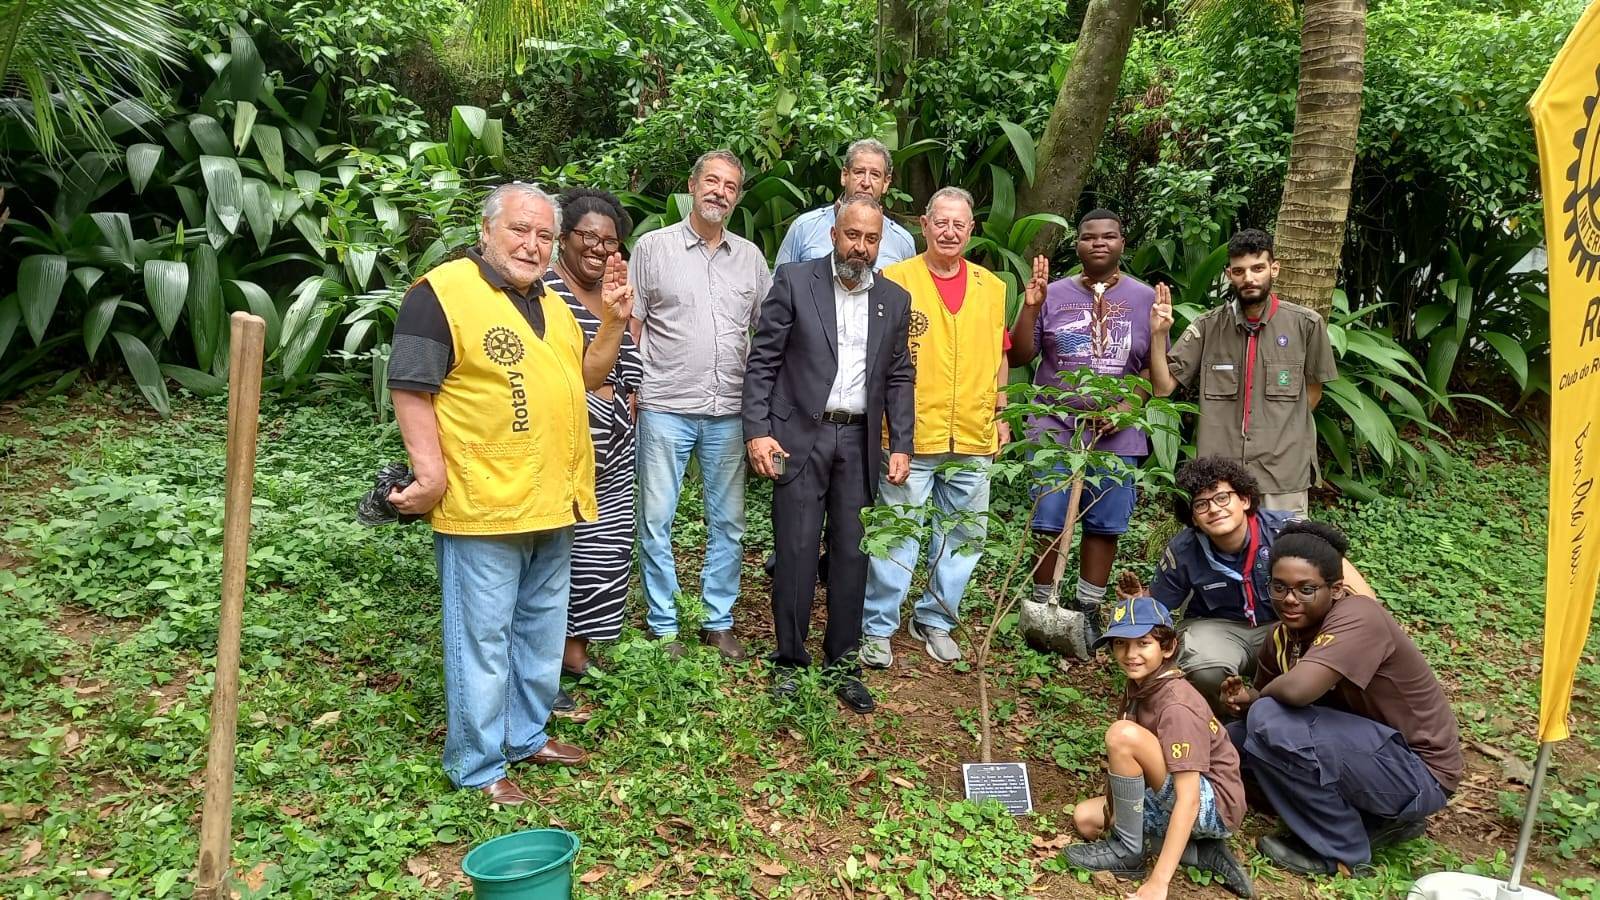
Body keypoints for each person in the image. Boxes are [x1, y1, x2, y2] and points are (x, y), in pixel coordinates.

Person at [386, 182, 631, 805]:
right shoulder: (442, 293)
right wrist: (429, 474)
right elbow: (411, 384)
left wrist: (613, 322)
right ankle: (477, 764)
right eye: (520, 230)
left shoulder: (550, 302)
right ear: (487, 230)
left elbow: (586, 376)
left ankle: (526, 735)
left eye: (544, 235)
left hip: (552, 499)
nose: (532, 245)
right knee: (483, 640)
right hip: (485, 503)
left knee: (541, 633)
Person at [742, 194, 915, 713]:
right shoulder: (796, 281)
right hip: (799, 436)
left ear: (879, 244)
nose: (860, 247)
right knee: (795, 550)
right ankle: (790, 661)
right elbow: (762, 361)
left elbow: (900, 374)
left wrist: (900, 442)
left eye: (871, 239)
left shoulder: (894, 299)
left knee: (852, 555)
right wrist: (757, 431)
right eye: (852, 235)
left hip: (858, 442)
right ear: (835, 235)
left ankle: (843, 663)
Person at [1221, 521, 1462, 876]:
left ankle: (1341, 851)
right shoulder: (1280, 637)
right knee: (1233, 741)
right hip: (1363, 752)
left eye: (1306, 589)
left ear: (1335, 589)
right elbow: (1271, 708)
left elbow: (1296, 692)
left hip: (1418, 772)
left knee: (1268, 719)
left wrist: (1258, 702)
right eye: (1279, 587)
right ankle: (1374, 822)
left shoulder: (1359, 616)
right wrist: (1247, 701)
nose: (1290, 599)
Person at [860, 187, 1011, 667]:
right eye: (940, 223)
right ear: (924, 225)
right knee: (897, 532)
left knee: (964, 535)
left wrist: (1001, 411)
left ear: (971, 230)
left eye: (958, 225)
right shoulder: (894, 279)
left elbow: (1000, 355)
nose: (949, 232)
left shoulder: (992, 287)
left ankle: (936, 619)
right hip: (910, 434)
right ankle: (877, 626)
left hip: (973, 433)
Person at [631, 149, 771, 660]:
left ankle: (718, 621)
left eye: (731, 186)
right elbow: (633, 325)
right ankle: (664, 624)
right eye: (712, 181)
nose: (720, 192)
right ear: (692, 186)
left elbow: (768, 334)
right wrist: (630, 391)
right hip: (664, 405)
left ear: (737, 196)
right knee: (656, 519)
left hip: (729, 411)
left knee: (728, 523)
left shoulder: (751, 259)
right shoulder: (653, 248)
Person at [1009, 209, 1161, 659]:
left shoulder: (1145, 298)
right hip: (1056, 426)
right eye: (1089, 237)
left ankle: (1087, 607)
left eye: (1108, 236)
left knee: (1105, 523)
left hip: (1116, 432)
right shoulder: (1054, 293)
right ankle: (1044, 603)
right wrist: (1031, 305)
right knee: (1049, 519)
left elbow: (1152, 370)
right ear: (1076, 245)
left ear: (1122, 243)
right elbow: (1020, 355)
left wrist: (1127, 408)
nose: (1099, 243)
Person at [1062, 589, 1255, 900]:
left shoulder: (1177, 704)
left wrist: (1159, 883)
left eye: (1143, 643)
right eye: (1120, 643)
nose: (1130, 654)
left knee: (1123, 735)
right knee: (1086, 819)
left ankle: (1128, 852)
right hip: (1175, 788)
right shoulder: (1142, 684)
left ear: (1168, 647)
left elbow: (1189, 799)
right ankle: (1198, 852)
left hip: (1213, 804)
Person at [1150, 457, 1373, 716]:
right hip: (1221, 629)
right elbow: (1155, 609)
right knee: (1205, 667)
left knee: (1324, 658)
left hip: (1288, 625)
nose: (1214, 509)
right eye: (1201, 504)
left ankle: (1303, 716)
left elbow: (1361, 597)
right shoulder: (1183, 550)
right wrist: (1133, 608)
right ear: (1193, 518)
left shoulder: (1287, 531)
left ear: (1244, 500)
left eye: (1222, 498)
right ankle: (1228, 722)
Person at [1150, 228, 1338, 515]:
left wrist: (1279, 432)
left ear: (1274, 269)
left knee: (1284, 544)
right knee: (1221, 545)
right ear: (1229, 274)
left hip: (1282, 475)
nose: (1249, 278)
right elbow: (1162, 388)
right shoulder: (1208, 326)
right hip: (1220, 479)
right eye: (1239, 271)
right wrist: (1158, 334)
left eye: (1257, 268)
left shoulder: (1307, 325)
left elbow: (1313, 393)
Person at [545, 188, 643, 690]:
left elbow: (629, 352)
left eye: (609, 242)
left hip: (618, 437)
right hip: (565, 435)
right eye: (588, 236)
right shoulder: (543, 290)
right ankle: (541, 654)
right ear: (563, 237)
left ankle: (576, 651)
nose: (599, 248)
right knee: (557, 543)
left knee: (606, 544)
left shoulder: (611, 290)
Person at [774, 138, 917, 270]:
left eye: (875, 175)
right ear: (844, 175)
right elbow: (781, 283)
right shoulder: (804, 228)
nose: (866, 183)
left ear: (886, 183)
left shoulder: (902, 243)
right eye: (859, 172)